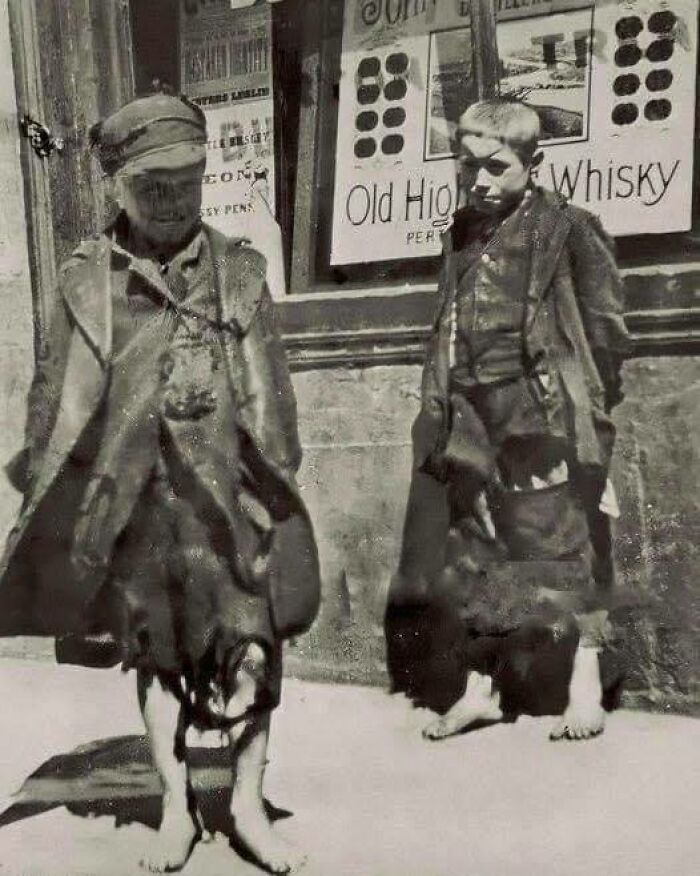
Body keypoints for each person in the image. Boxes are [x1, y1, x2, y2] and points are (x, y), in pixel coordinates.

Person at [0, 92, 320, 874]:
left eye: (186, 183)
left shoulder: (240, 272)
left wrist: (273, 481)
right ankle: (176, 807)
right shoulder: (89, 281)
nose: (172, 202)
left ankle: (246, 804)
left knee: (253, 652)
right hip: (137, 505)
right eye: (152, 188)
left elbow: (272, 397)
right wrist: (50, 489)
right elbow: (56, 397)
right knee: (159, 656)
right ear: (116, 186)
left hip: (229, 502)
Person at [385, 99, 631, 742]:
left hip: (537, 412)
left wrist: (589, 414)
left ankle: (584, 684)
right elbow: (451, 319)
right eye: (469, 167)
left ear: (534, 163)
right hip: (468, 412)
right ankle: (483, 689)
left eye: (496, 168)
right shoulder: (461, 232)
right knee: (476, 546)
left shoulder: (569, 229)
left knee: (558, 541)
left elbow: (605, 329)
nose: (480, 182)